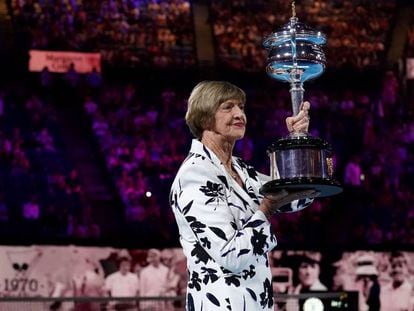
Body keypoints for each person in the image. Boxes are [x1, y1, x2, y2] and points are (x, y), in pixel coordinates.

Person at [169, 81, 316, 310]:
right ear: (204, 117)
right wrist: (266, 208)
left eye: (241, 107)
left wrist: (298, 139)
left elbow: (299, 196)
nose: (239, 114)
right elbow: (232, 256)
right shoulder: (195, 174)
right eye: (228, 107)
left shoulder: (240, 169)